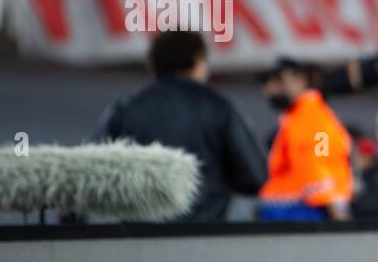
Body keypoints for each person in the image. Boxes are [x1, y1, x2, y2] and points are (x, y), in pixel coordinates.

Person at [91, 29, 267, 221]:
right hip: (204, 237)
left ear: (153, 62)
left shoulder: (124, 109)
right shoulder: (220, 108)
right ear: (198, 59)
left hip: (139, 239)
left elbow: (93, 172)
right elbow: (255, 176)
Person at [257, 57, 353, 221]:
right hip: (297, 210)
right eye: (268, 82)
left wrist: (337, 217)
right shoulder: (299, 116)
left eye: (279, 80)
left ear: (300, 80)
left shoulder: (309, 115)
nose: (271, 88)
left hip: (303, 213)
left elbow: (319, 163)